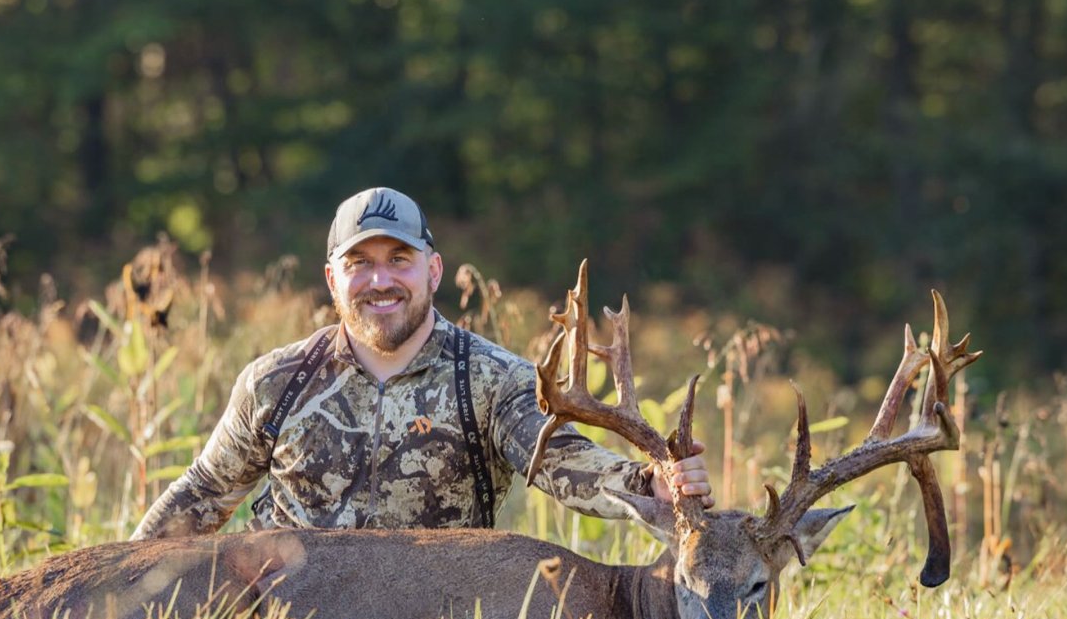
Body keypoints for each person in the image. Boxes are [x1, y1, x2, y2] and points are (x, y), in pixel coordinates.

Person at [131, 187, 712, 541]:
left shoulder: (488, 380)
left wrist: (646, 483)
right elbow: (200, 496)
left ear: (433, 271)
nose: (380, 280)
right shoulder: (276, 383)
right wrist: (115, 582)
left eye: (398, 259)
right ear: (333, 280)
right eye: (360, 263)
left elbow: (560, 462)